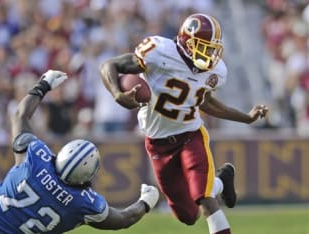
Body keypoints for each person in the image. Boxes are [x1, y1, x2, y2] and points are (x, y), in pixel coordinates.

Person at [99, 13, 269, 234]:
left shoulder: (216, 72)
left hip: (191, 135)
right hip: (158, 144)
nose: (209, 54)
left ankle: (212, 190)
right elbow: (108, 65)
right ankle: (220, 181)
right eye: (204, 47)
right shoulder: (158, 51)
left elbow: (205, 102)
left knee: (205, 198)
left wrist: (246, 118)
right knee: (188, 216)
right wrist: (116, 93)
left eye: (212, 48)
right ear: (187, 42)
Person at [0, 70, 160, 233]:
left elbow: (20, 116)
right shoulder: (83, 203)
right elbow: (123, 219)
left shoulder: (36, 159)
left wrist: (42, 85)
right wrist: (145, 203)